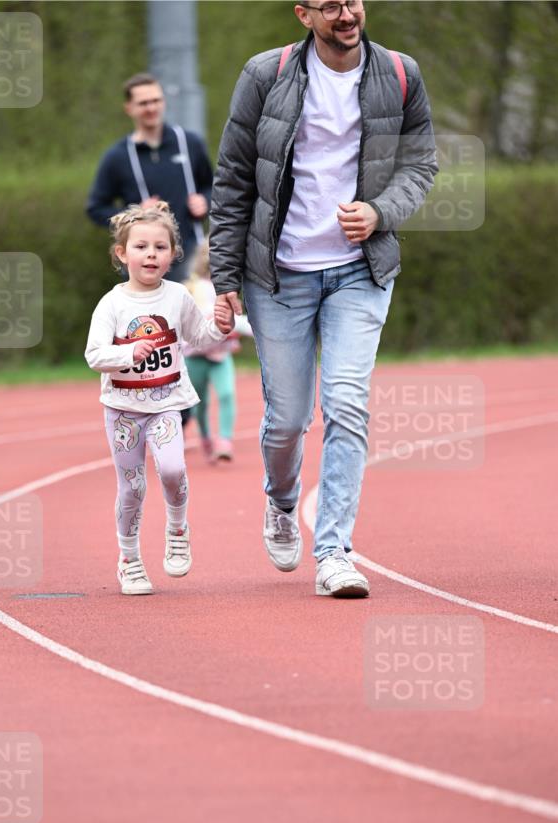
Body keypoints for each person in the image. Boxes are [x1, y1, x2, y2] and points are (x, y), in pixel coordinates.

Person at [210, 0, 437, 598]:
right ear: (303, 15)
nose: (347, 14)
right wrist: (226, 276)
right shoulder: (266, 74)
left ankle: (334, 550)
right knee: (287, 420)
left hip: (359, 271)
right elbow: (233, 176)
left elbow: (421, 163)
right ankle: (281, 502)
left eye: (353, 1)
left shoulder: (399, 74)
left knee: (346, 404)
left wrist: (380, 211)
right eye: (331, 5)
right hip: (279, 274)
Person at [84, 202, 232, 596]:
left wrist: (221, 327)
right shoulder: (111, 304)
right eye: (141, 246)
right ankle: (129, 559)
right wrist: (127, 354)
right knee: (131, 488)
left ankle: (177, 528)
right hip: (123, 410)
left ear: (173, 255)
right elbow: (94, 355)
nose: (151, 254)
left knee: (172, 470)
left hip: (167, 403)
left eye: (160, 248)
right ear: (122, 253)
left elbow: (200, 338)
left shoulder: (178, 297)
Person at [86, 73, 214, 282]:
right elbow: (96, 208)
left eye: (156, 100)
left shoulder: (190, 143)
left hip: (193, 258)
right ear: (129, 108)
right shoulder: (117, 156)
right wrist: (134, 214)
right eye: (143, 103)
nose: (151, 108)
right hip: (144, 265)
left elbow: (214, 188)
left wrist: (204, 201)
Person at [183, 241, 253, 462]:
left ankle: (224, 440)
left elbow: (234, 320)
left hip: (220, 356)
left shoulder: (229, 288)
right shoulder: (195, 287)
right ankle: (205, 438)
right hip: (195, 356)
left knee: (227, 394)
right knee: (200, 403)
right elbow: (203, 315)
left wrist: (254, 329)